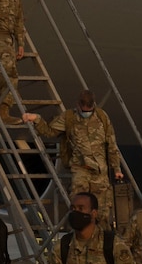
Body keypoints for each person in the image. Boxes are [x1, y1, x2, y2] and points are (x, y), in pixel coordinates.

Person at [37, 88, 127, 221]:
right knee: (79, 206)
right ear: (77, 105)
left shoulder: (102, 117)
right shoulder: (69, 118)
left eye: (89, 111)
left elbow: (111, 144)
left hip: (99, 171)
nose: (87, 113)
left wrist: (117, 168)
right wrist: (37, 120)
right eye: (84, 111)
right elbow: (50, 132)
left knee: (102, 211)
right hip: (80, 168)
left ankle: (101, 237)